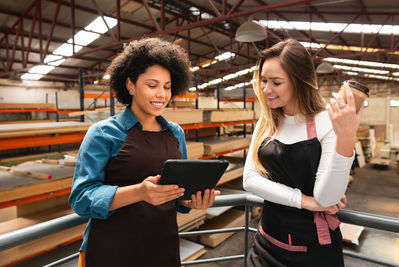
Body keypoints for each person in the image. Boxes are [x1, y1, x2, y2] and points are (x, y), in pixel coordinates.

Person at [69, 37, 220, 267]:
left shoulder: (175, 133)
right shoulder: (103, 133)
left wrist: (192, 202)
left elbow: (178, 195)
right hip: (112, 252)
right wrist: (139, 192)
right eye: (152, 85)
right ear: (130, 85)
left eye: (167, 87)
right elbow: (81, 198)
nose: (161, 94)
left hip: (163, 249)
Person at [243, 39, 363, 267]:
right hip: (266, 242)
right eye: (264, 81)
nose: (266, 89)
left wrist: (346, 138)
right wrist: (305, 201)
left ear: (299, 81)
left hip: (312, 251)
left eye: (276, 82)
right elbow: (250, 180)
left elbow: (327, 198)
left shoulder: (326, 122)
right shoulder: (267, 120)